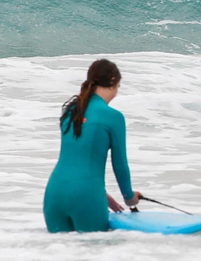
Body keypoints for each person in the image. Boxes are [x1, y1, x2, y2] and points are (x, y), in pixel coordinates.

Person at [43, 58, 141, 233]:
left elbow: (76, 158)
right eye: (118, 87)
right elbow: (120, 165)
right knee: (93, 257)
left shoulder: (70, 111)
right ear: (112, 82)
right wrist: (130, 198)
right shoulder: (113, 116)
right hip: (86, 196)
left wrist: (101, 195)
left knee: (58, 256)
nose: (116, 93)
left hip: (54, 193)